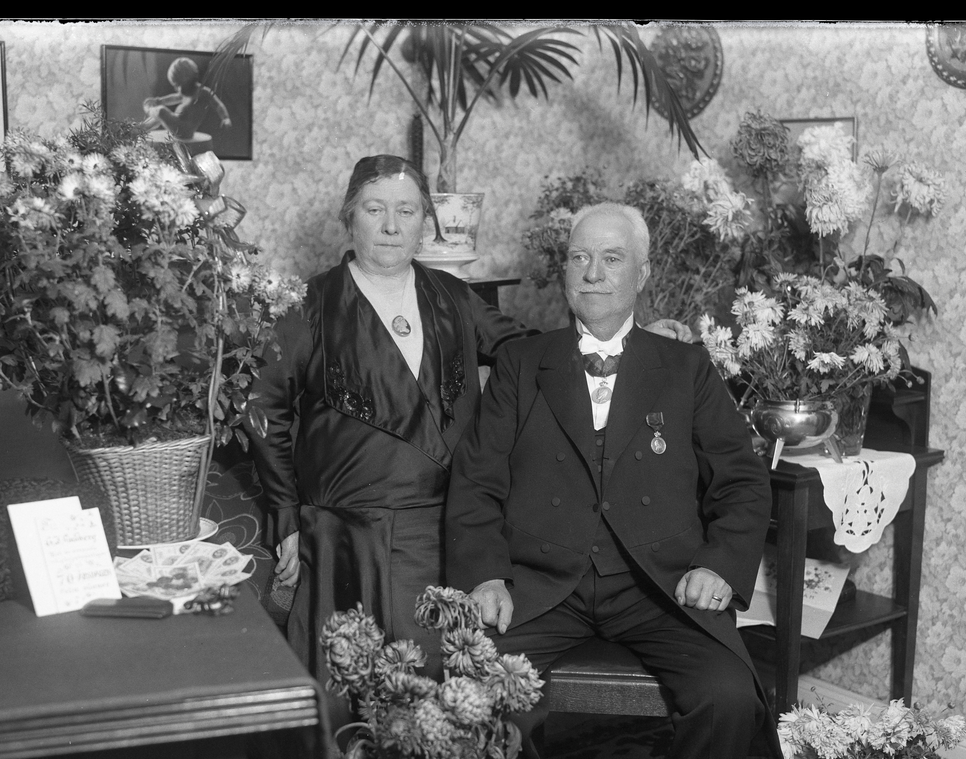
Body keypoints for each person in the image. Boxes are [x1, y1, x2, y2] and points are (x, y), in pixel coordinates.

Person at [245, 157, 691, 689]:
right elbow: (262, 406)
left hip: (448, 527)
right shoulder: (309, 305)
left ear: (425, 222)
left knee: (451, 692)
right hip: (350, 536)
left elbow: (536, 356)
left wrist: (634, 343)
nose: (391, 226)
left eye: (406, 211)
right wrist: (286, 517)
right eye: (374, 209)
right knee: (357, 687)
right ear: (349, 217)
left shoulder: (452, 297)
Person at [444, 202, 776, 759]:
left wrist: (719, 564)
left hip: (656, 583)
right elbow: (476, 481)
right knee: (479, 686)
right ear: (565, 270)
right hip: (543, 582)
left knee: (728, 694)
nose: (592, 273)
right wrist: (484, 575)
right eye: (580, 258)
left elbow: (741, 479)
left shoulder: (685, 366)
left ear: (642, 274)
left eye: (611, 258)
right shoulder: (521, 364)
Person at [140, 56, 232, 140]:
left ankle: (149, 109)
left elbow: (218, 105)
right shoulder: (187, 92)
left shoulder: (203, 92)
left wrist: (225, 118)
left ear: (188, 80)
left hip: (183, 131)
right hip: (178, 125)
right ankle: (143, 127)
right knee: (160, 117)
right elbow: (174, 98)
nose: (176, 89)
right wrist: (159, 100)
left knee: (160, 111)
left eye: (178, 85)